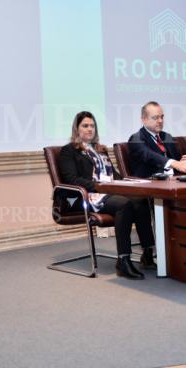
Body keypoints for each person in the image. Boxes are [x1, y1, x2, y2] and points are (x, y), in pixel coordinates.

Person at [58, 111, 156, 280]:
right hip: (89, 196)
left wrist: (126, 184)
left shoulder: (100, 150)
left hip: (108, 191)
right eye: (85, 126)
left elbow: (114, 175)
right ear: (76, 129)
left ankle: (147, 253)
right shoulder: (69, 151)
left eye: (92, 126)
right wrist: (101, 186)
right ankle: (123, 261)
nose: (90, 129)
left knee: (140, 200)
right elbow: (72, 179)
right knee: (124, 204)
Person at [128, 101, 186, 178]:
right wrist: (174, 163)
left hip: (173, 181)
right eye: (155, 118)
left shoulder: (167, 136)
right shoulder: (136, 139)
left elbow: (176, 160)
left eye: (162, 117)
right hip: (150, 184)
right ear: (144, 119)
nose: (160, 121)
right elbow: (149, 156)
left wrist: (184, 161)